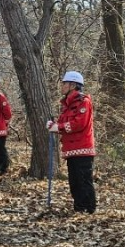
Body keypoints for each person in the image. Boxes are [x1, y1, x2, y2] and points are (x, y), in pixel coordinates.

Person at [47, 71, 96, 213]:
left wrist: (59, 127)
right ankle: (79, 208)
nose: (62, 86)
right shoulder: (66, 105)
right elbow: (63, 124)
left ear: (73, 85)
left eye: (64, 83)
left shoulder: (84, 102)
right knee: (74, 182)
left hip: (82, 148)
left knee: (83, 180)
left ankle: (89, 209)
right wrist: (54, 126)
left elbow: (79, 123)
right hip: (70, 149)